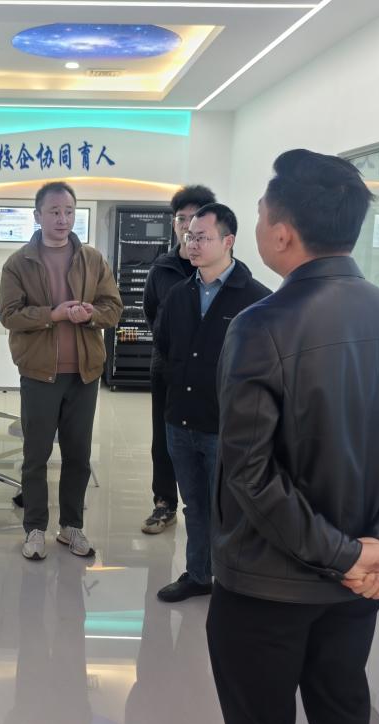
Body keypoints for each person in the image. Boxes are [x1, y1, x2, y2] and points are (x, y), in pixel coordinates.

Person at [208, 149, 379, 724]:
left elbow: (249, 472)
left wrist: (348, 556)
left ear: (283, 233)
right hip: (357, 588)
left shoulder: (260, 325)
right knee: (343, 723)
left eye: (261, 213)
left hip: (268, 584)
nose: (258, 224)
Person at [0, 181, 123, 561]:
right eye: (54, 211)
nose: (62, 219)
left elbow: (113, 309)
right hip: (39, 373)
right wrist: (51, 315)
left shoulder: (92, 259)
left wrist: (91, 314)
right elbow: (9, 315)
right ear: (38, 215)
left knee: (78, 455)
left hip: (84, 373)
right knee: (35, 455)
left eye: (68, 211)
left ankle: (71, 526)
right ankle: (35, 528)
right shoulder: (19, 263)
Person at [154, 203, 270, 603]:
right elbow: (164, 348)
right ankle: (199, 574)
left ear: (228, 241)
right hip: (180, 421)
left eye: (202, 237)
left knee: (232, 509)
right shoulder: (178, 295)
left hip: (227, 427)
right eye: (189, 236)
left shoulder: (256, 300)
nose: (192, 244)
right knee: (195, 506)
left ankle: (236, 583)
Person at [141, 184, 217, 534]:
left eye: (195, 218)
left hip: (212, 374)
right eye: (181, 219)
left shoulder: (223, 268)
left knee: (210, 438)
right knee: (164, 438)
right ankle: (164, 503)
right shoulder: (162, 269)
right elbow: (152, 316)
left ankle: (210, 507)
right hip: (168, 369)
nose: (188, 226)